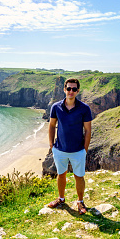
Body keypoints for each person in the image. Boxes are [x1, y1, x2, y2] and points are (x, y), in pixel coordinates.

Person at [46, 78, 92, 215]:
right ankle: (61, 199)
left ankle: (80, 201)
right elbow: (52, 125)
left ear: (77, 91)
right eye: (68, 88)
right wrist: (51, 145)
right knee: (61, 175)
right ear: (64, 89)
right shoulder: (56, 107)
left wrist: (85, 149)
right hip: (60, 149)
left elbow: (88, 130)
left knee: (79, 176)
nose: (71, 91)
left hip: (78, 150)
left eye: (74, 89)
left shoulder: (84, 108)